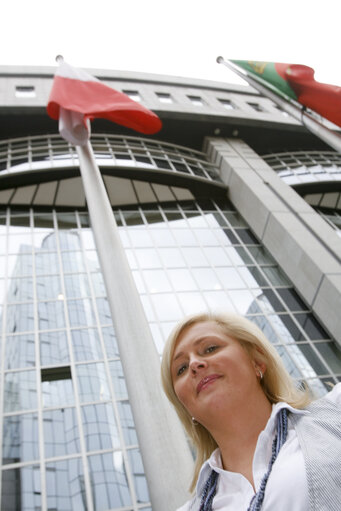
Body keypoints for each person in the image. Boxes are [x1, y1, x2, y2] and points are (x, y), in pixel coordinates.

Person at [161, 312, 341, 511]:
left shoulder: (334, 413)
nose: (194, 364)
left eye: (210, 348)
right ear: (185, 406)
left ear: (256, 360)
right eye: (181, 369)